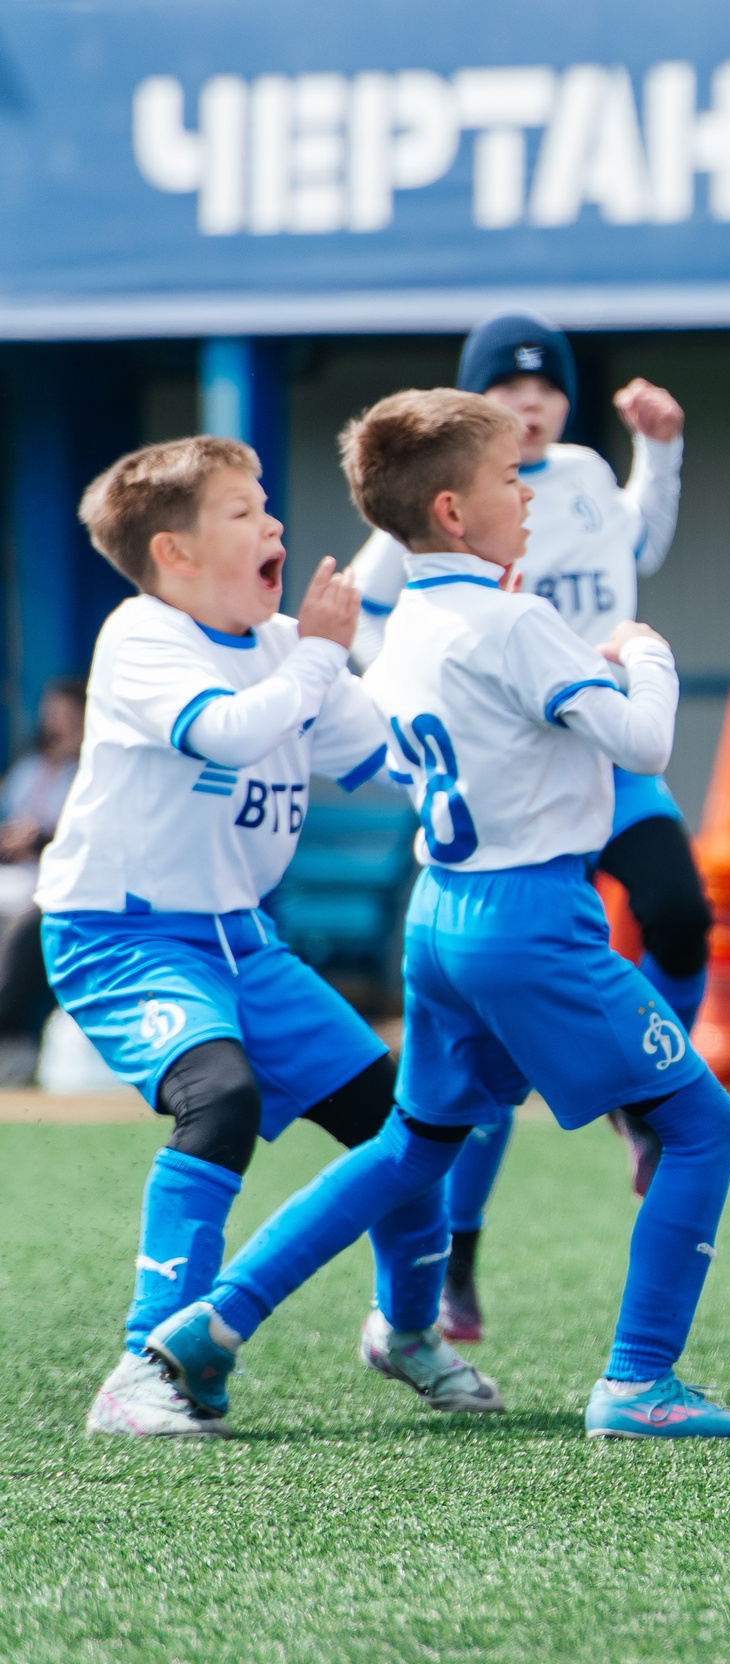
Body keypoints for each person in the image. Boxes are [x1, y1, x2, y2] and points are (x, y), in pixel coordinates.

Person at [144, 389, 730, 1441]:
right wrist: (643, 653)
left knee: (412, 1145)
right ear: (451, 512)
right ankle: (639, 1384)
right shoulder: (517, 621)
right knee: (703, 1125)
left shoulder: (414, 621)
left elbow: (407, 751)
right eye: (508, 479)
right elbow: (646, 745)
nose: (529, 494)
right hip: (532, 920)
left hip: (440, 917)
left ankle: (214, 1320)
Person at [54, 435, 497, 1440]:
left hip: (243, 943)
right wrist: (323, 653)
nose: (275, 524)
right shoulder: (142, 635)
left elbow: (388, 755)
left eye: (267, 506)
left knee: (410, 1123)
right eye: (244, 511)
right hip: (121, 937)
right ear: (175, 554)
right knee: (220, 1099)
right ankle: (145, 1366)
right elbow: (229, 732)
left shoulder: (287, 645)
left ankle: (408, 1331)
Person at [347, 312, 707, 1344]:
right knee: (481, 1077)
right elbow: (378, 612)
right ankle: (456, 1263)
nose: (531, 403)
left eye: (546, 386)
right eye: (507, 390)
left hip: (595, 752)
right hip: (519, 785)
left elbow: (643, 538)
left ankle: (649, 1092)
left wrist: (664, 451)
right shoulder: (440, 525)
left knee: (680, 909)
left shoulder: (588, 475)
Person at [0, 677, 87, 1075]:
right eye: (51, 714)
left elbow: (82, 838)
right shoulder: (30, 766)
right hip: (12, 875)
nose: (57, 723)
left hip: (57, 883)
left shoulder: (90, 769)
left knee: (25, 924)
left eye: (67, 715)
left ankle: (7, 1028)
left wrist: (38, 840)